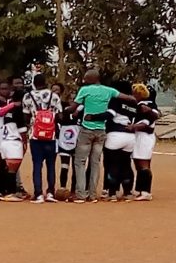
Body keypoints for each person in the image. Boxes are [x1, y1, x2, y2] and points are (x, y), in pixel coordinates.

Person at [67, 69, 137, 203]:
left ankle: (81, 194)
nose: (84, 81)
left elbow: (73, 107)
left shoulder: (84, 90)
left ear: (91, 79)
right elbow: (128, 98)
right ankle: (93, 195)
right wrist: (135, 100)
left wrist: (66, 109)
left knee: (80, 162)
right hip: (101, 131)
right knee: (95, 163)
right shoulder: (109, 90)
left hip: (87, 129)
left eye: (86, 79)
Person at [22, 74, 63, 203]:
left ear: (34, 82)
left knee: (37, 165)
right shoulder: (54, 96)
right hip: (51, 136)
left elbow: (25, 117)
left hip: (35, 135)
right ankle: (50, 192)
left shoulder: (28, 96)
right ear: (46, 82)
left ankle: (38, 194)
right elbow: (60, 116)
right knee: (51, 165)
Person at [0, 83, 27, 202]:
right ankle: (12, 192)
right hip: (13, 141)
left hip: (4, 141)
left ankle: (0, 191)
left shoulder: (8, 109)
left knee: (6, 168)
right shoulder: (18, 111)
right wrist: (25, 143)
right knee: (13, 169)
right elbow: (22, 130)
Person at [103, 90, 138, 202]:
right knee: (126, 164)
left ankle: (112, 193)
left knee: (112, 164)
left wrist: (93, 117)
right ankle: (127, 192)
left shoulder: (115, 100)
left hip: (115, 135)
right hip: (130, 137)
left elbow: (110, 115)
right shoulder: (133, 103)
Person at [131, 83, 159, 202]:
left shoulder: (145, 106)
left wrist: (132, 126)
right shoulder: (144, 105)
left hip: (144, 137)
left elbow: (147, 122)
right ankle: (139, 189)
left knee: (143, 164)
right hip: (139, 136)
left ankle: (146, 192)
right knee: (138, 163)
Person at [55, 83, 80, 199]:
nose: (72, 101)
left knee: (76, 167)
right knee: (64, 166)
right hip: (64, 141)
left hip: (77, 142)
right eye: (71, 98)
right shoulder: (63, 109)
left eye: (75, 99)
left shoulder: (81, 111)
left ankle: (74, 190)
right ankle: (63, 188)